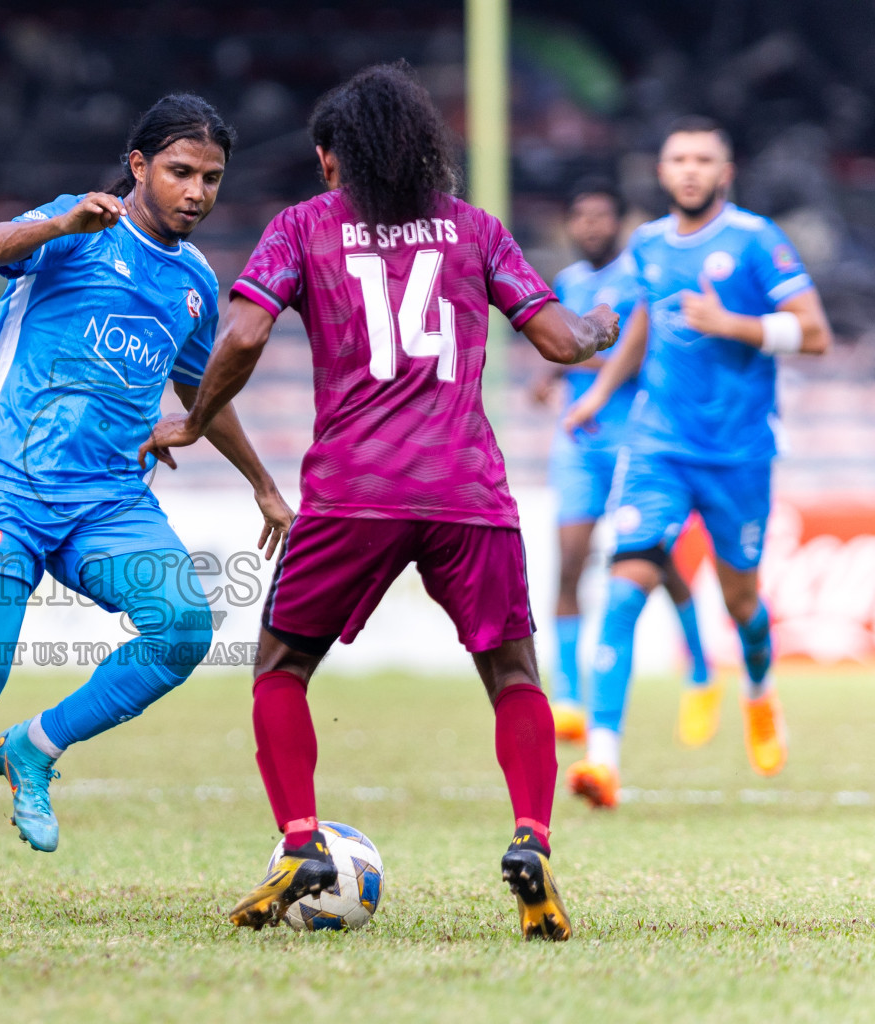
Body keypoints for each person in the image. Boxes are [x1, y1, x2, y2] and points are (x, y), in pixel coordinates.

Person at [141, 63, 617, 941]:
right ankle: (531, 839)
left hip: (354, 491)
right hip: (467, 492)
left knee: (281, 668)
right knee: (513, 675)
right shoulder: (475, 230)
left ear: (332, 161)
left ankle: (298, 843)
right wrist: (602, 329)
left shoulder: (304, 227)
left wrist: (192, 418)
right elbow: (559, 339)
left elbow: (244, 331)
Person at [0, 94, 292, 925]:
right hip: (0, 480)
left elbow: (201, 388)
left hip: (107, 497)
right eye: (180, 171)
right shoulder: (76, 224)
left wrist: (259, 479)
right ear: (138, 167)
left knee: (185, 626)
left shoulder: (194, 283)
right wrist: (56, 228)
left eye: (212, 178)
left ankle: (35, 748)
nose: (196, 191)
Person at [563, 117, 829, 808]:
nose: (689, 170)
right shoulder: (646, 245)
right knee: (624, 588)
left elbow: (816, 334)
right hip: (658, 446)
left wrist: (733, 325)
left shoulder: (756, 240)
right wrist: (598, 392)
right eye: (678, 158)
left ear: (725, 171)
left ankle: (760, 691)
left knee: (741, 602)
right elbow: (644, 325)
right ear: (661, 171)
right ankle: (602, 760)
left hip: (739, 454)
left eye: (702, 159)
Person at [533, 180, 712, 745]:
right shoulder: (568, 282)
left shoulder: (641, 278)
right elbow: (566, 347)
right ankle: (567, 697)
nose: (590, 226)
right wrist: (552, 374)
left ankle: (700, 662)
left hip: (637, 440)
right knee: (569, 562)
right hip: (580, 446)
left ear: (621, 222)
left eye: (600, 216)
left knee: (652, 563)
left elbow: (633, 355)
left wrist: (574, 364)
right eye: (580, 217)